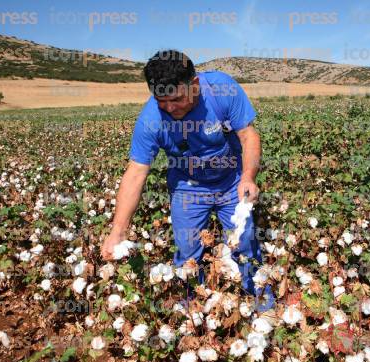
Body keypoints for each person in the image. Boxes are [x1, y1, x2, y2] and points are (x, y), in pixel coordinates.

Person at [100, 49, 274, 311]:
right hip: (188, 186)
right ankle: (193, 313)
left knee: (245, 243)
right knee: (187, 250)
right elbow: (136, 172)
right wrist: (118, 231)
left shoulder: (221, 90)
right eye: (162, 100)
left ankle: (263, 306)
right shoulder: (151, 120)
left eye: (177, 99)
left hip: (231, 179)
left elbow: (249, 137)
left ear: (193, 85)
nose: (170, 107)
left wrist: (248, 178)